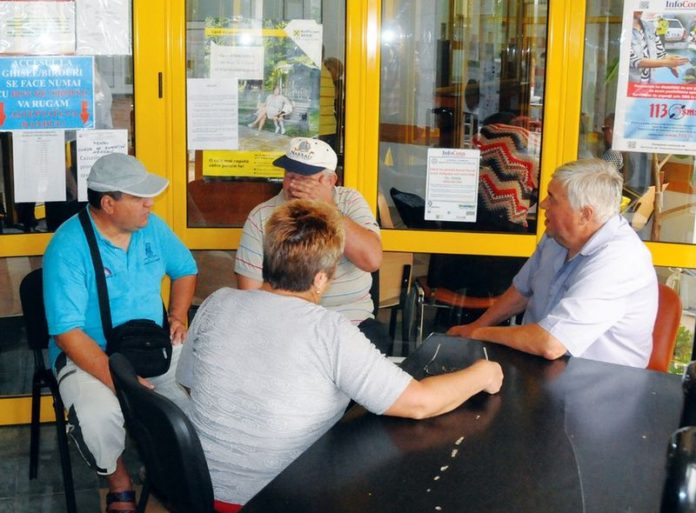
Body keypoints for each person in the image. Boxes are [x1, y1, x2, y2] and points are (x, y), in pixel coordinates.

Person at [178, 199, 503, 510]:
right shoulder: (328, 330)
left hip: (197, 490)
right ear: (320, 279)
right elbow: (419, 403)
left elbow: (190, 382)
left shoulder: (217, 302)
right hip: (279, 499)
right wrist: (483, 373)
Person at [43, 153, 198, 513]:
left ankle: (168, 469)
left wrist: (177, 315)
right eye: (139, 197)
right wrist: (122, 382)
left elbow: (185, 269)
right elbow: (66, 332)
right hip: (89, 353)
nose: (150, 203)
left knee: (202, 397)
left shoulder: (152, 228)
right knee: (98, 418)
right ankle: (120, 483)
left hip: (150, 343)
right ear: (108, 204)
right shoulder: (68, 247)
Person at [448, 159, 658, 368]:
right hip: (540, 366)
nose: (542, 205)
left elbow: (551, 343)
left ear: (584, 215)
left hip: (599, 380)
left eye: (552, 198)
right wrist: (475, 327)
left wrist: (480, 333)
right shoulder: (556, 236)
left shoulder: (620, 260)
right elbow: (522, 291)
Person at [235, 137, 393, 354]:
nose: (294, 185)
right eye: (290, 176)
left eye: (305, 178)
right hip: (287, 326)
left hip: (350, 322)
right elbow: (250, 294)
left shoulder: (349, 201)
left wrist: (328, 208)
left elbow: (372, 260)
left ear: (330, 181)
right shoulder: (262, 215)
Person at [630, 11, 687, 84]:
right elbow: (635, 61)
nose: (640, 10)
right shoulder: (626, 29)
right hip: (632, 84)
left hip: (651, 81)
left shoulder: (650, 26)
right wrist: (668, 63)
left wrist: (672, 61)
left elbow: (660, 53)